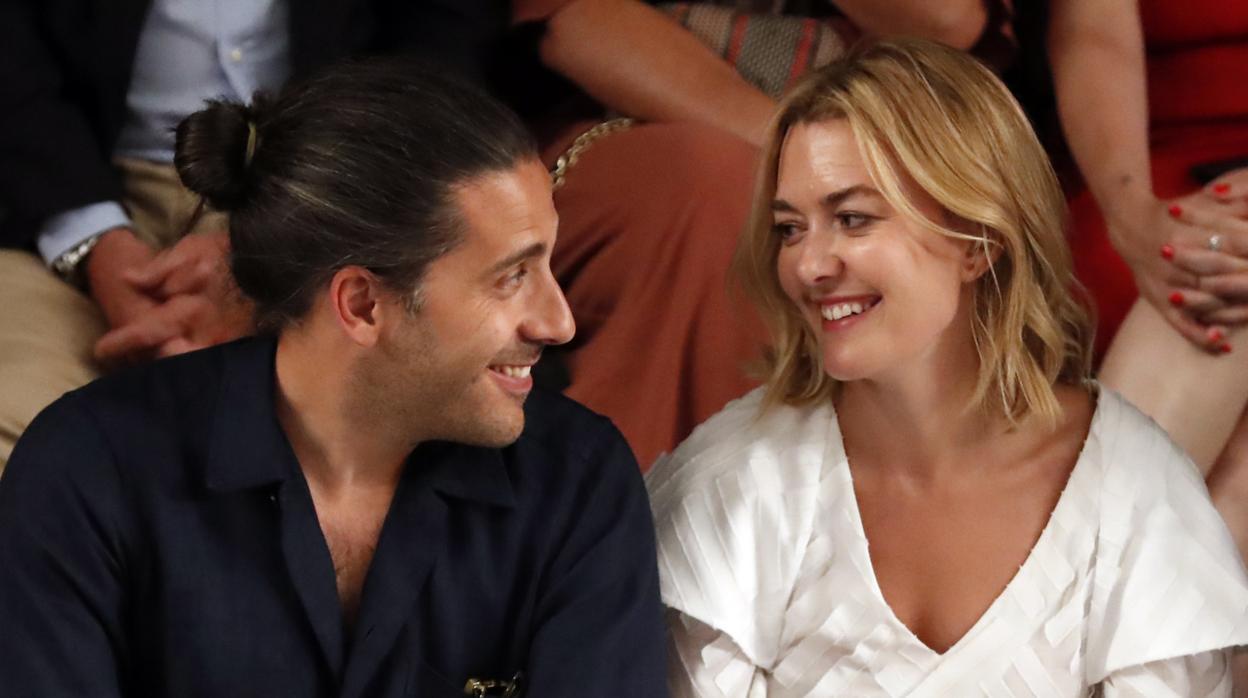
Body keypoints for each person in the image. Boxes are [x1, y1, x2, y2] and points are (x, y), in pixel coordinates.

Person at [0, 58, 667, 697]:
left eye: (548, 264)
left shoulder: (579, 483)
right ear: (362, 305)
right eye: (513, 276)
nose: (559, 322)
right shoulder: (86, 475)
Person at [646, 38, 1248, 696]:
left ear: (978, 241)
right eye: (790, 228)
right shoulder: (732, 488)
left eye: (852, 219)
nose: (809, 265)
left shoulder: (1136, 490)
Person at [0, 0, 508, 470]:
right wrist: (96, 246)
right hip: (57, 191)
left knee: (334, 446)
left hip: (339, 193)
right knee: (17, 428)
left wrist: (283, 245)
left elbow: (442, 49)